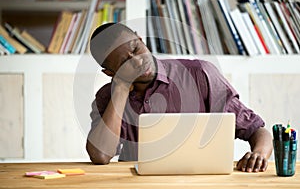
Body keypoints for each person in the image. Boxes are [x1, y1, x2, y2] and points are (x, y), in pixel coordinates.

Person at [86, 22, 273, 173]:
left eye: (136, 48)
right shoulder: (106, 97)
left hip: (203, 184)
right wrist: (120, 88)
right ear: (110, 72)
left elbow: (256, 130)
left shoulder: (199, 74)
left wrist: (259, 154)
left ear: (141, 39)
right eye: (124, 62)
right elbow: (100, 155)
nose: (138, 61)